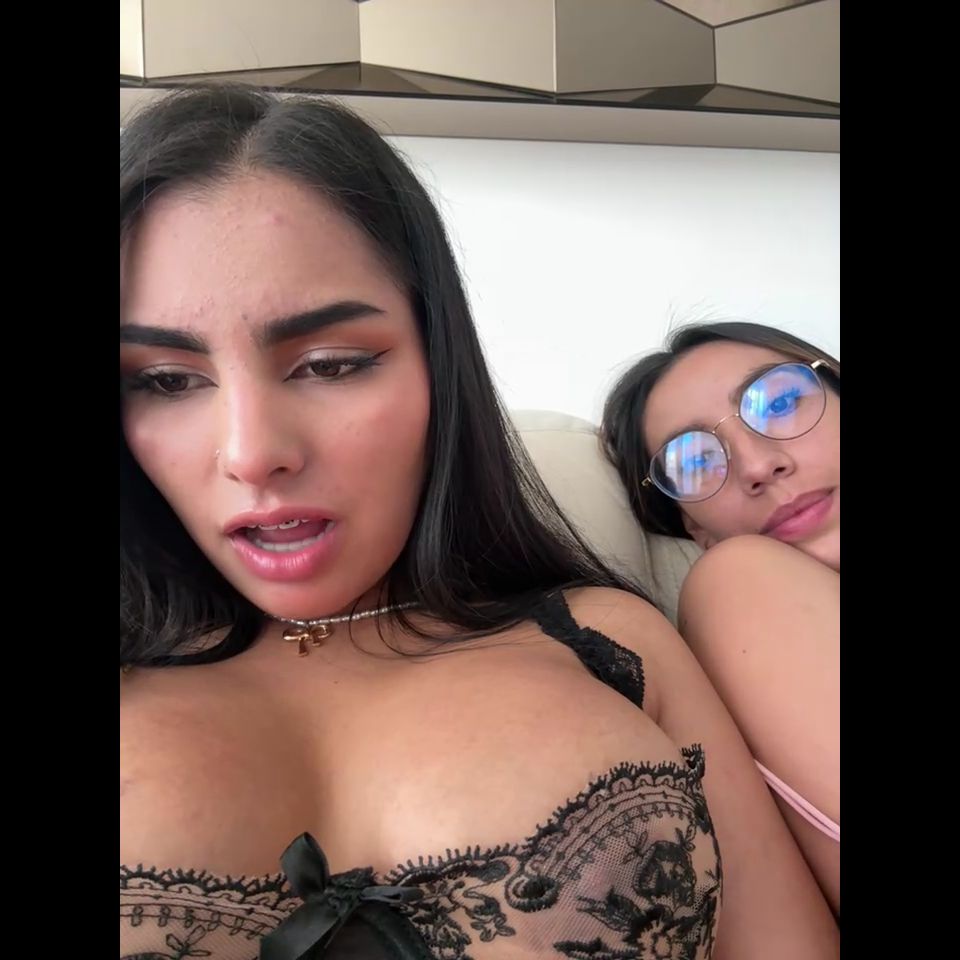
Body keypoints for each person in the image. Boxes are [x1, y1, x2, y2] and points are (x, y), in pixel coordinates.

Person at [120, 87, 839, 959]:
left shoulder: (613, 640)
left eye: (332, 364)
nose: (251, 452)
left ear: (440, 364)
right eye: (165, 381)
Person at [602, 321, 840, 914]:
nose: (758, 465)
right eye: (694, 461)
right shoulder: (738, 581)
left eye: (779, 403)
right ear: (696, 529)